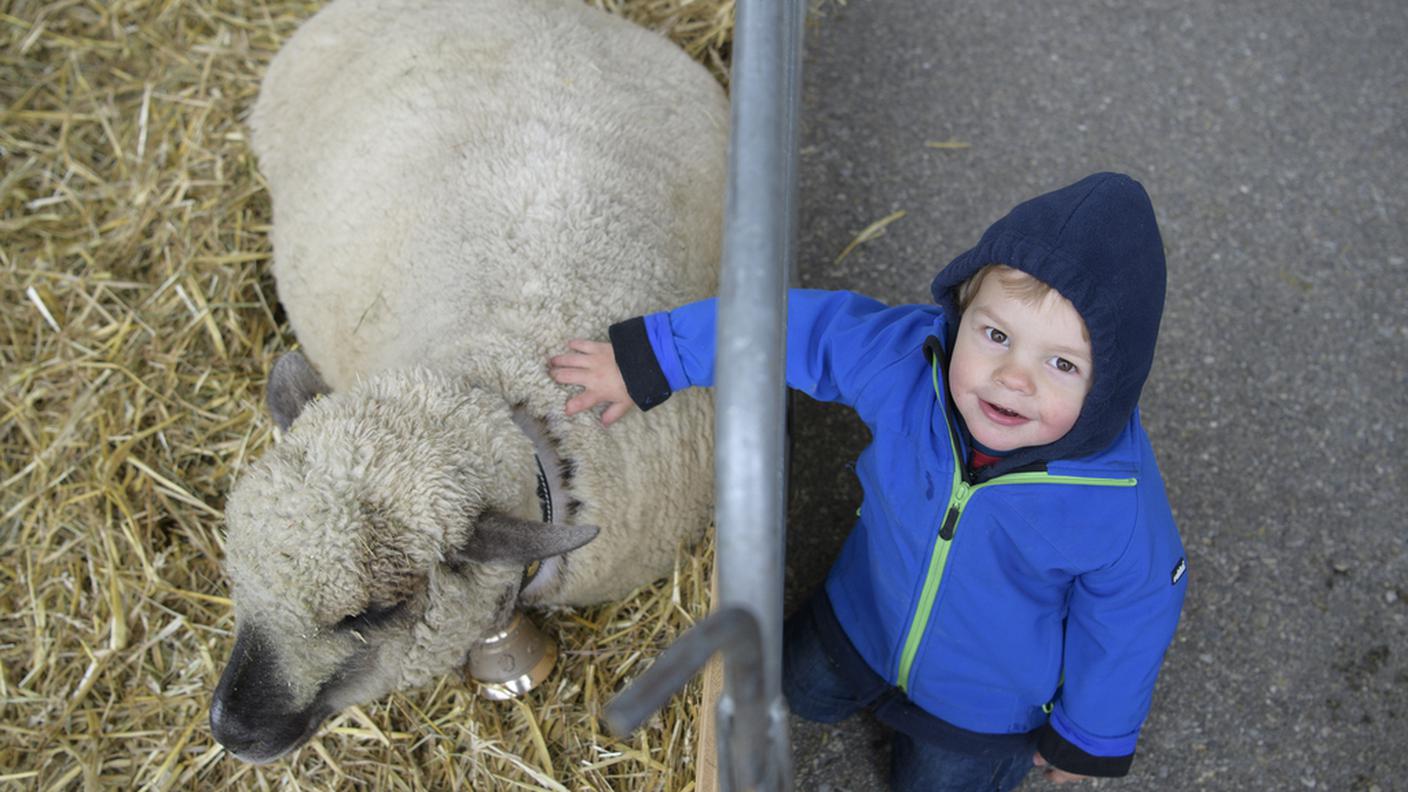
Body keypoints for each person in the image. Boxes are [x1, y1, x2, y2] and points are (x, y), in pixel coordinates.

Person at [549, 172, 1187, 791]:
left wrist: (1089, 735)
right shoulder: (913, 359)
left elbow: (1132, 621)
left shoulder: (1117, 504)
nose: (1013, 378)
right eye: (995, 335)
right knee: (794, 686)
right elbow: (806, 330)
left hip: (982, 707)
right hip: (859, 615)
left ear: (1108, 389)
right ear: (959, 313)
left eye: (1061, 363)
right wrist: (659, 353)